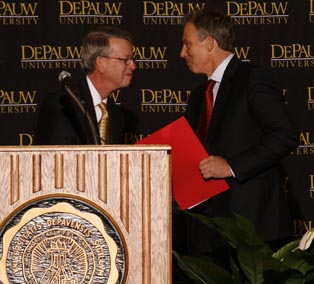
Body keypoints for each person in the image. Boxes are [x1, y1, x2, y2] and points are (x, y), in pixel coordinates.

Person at [179, 8, 299, 265]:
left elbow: (285, 135)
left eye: (187, 44)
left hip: (249, 226)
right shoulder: (199, 96)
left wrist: (231, 166)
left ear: (209, 42)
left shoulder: (254, 80)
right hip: (204, 228)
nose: (182, 53)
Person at [35, 26, 136, 145]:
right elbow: (54, 159)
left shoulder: (115, 114)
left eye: (132, 60)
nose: (133, 66)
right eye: (126, 60)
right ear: (101, 63)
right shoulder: (63, 105)